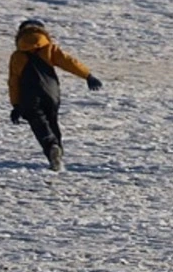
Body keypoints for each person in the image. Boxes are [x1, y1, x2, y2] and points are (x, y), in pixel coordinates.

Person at [8, 19, 103, 171]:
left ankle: (52, 147)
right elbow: (69, 62)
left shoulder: (17, 56)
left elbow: (14, 81)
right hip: (51, 92)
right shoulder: (49, 49)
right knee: (52, 121)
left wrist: (16, 105)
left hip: (29, 94)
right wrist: (87, 75)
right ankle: (57, 153)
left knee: (38, 121)